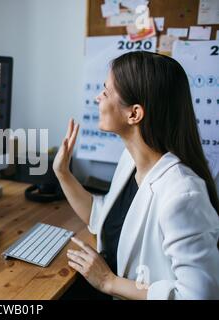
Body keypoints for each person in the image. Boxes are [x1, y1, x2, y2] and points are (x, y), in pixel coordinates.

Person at [53, 51, 219, 300]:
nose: (98, 97)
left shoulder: (182, 194)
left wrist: (109, 282)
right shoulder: (130, 160)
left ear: (134, 114)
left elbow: (198, 296)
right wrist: (62, 173)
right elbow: (101, 217)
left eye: (106, 92)